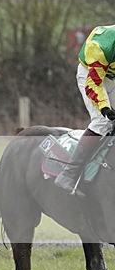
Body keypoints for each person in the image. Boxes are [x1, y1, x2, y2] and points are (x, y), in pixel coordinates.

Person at [55, 24, 115, 195]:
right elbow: (94, 84)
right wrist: (105, 108)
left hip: (112, 77)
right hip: (91, 76)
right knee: (103, 122)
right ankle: (68, 174)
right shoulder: (102, 46)